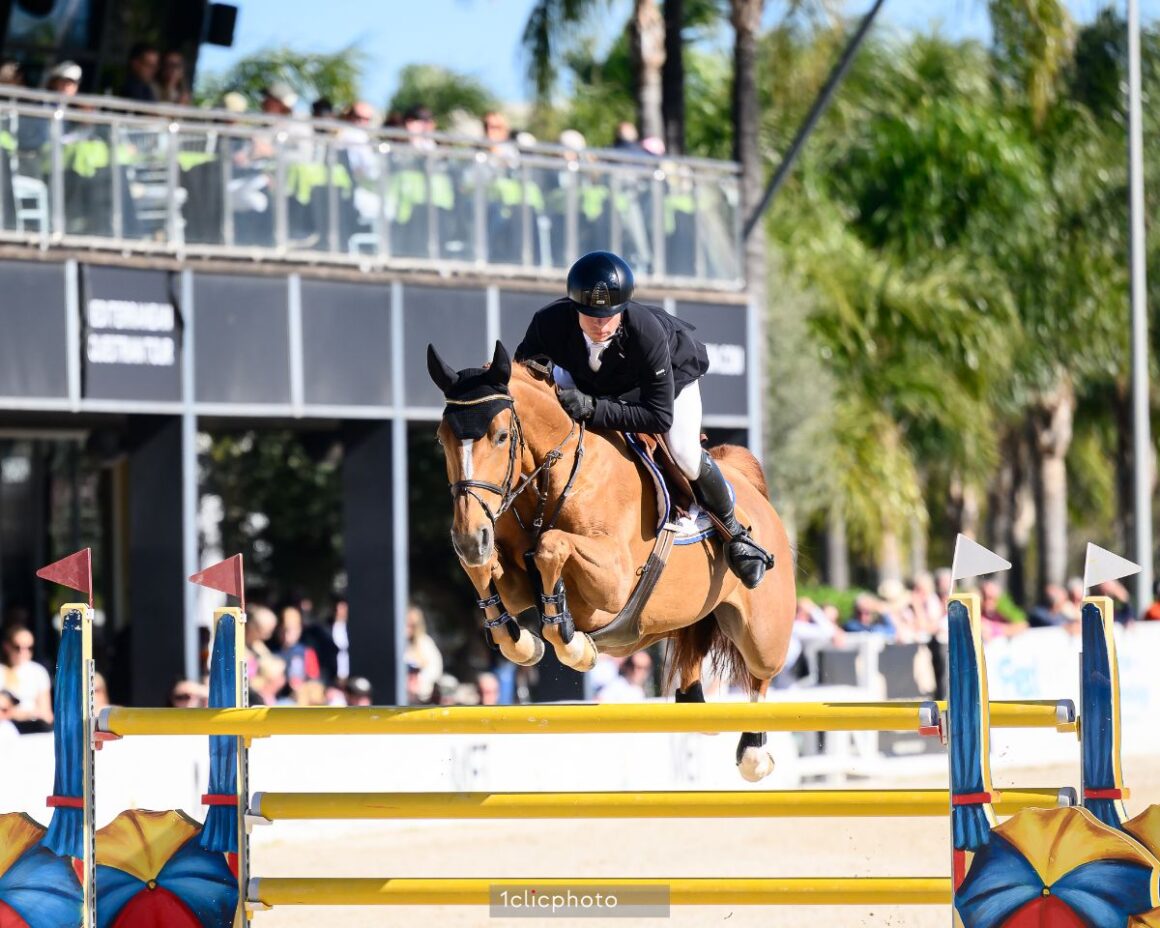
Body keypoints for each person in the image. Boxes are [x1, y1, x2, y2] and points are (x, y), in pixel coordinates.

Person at [513, 250, 771, 588]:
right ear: (574, 307)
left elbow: (658, 416)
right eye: (591, 315)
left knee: (684, 454)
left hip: (664, 387)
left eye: (609, 315)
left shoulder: (646, 333)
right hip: (596, 381)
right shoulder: (547, 323)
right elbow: (520, 382)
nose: (601, 324)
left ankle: (736, 532)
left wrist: (591, 408)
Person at [1, 624, 52, 730]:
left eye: (29, 648)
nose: (23, 652)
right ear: (7, 646)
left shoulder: (38, 672)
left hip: (33, 729)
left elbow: (46, 713)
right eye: (17, 647)